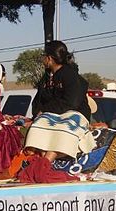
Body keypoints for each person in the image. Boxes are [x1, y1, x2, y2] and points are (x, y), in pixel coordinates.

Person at [22, 40, 95, 181]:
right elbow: (39, 100)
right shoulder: (46, 78)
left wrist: (45, 111)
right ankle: (44, 163)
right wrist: (38, 113)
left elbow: (71, 102)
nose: (43, 59)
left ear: (49, 58)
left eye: (44, 56)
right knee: (39, 124)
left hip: (75, 112)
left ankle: (45, 163)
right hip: (54, 114)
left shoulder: (71, 75)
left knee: (65, 127)